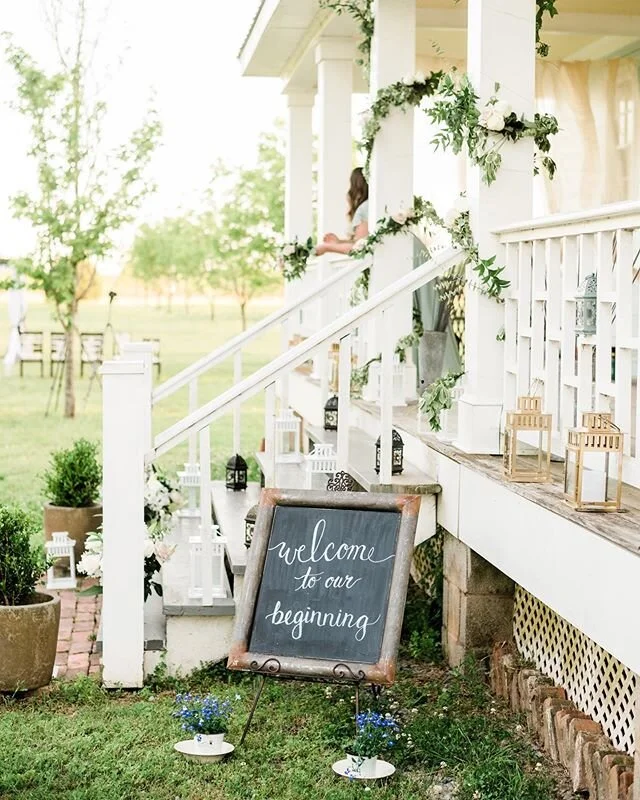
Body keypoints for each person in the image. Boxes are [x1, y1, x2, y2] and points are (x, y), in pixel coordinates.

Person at [315, 167, 369, 256]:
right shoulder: (369, 206)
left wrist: (327, 247)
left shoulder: (364, 208)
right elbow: (362, 240)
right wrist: (339, 242)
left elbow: (360, 247)